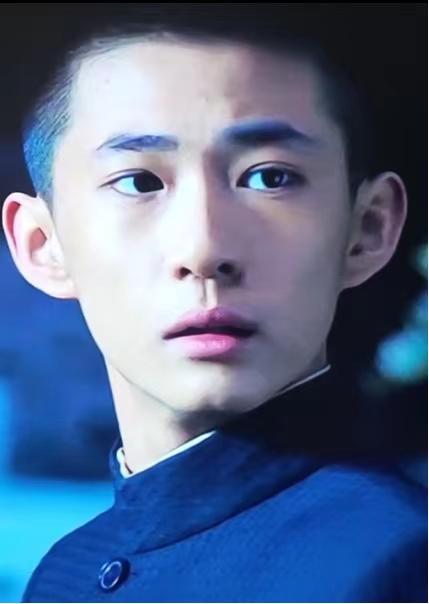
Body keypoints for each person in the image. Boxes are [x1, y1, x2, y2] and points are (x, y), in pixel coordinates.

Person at [2, 5, 426, 602]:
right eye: (139, 182)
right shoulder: (61, 575)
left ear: (369, 228)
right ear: (42, 245)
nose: (204, 250)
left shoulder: (401, 561)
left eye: (270, 177)